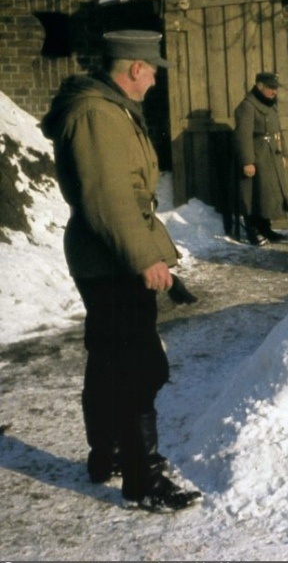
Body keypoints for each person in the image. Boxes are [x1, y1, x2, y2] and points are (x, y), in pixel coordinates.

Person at [40, 29, 202, 512]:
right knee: (138, 364)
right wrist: (144, 258)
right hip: (112, 258)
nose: (154, 81)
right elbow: (109, 197)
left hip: (108, 253)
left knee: (110, 356)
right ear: (135, 68)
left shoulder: (109, 110)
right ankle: (142, 476)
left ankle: (107, 453)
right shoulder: (98, 114)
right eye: (152, 71)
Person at [234, 72, 288, 246]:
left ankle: (265, 227)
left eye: (276, 88)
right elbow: (243, 136)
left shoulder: (270, 105)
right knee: (252, 194)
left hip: (270, 157)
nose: (275, 92)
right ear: (260, 86)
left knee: (266, 195)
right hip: (256, 157)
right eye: (271, 88)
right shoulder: (248, 106)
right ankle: (253, 231)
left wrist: (282, 153)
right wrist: (247, 161)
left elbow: (278, 132)